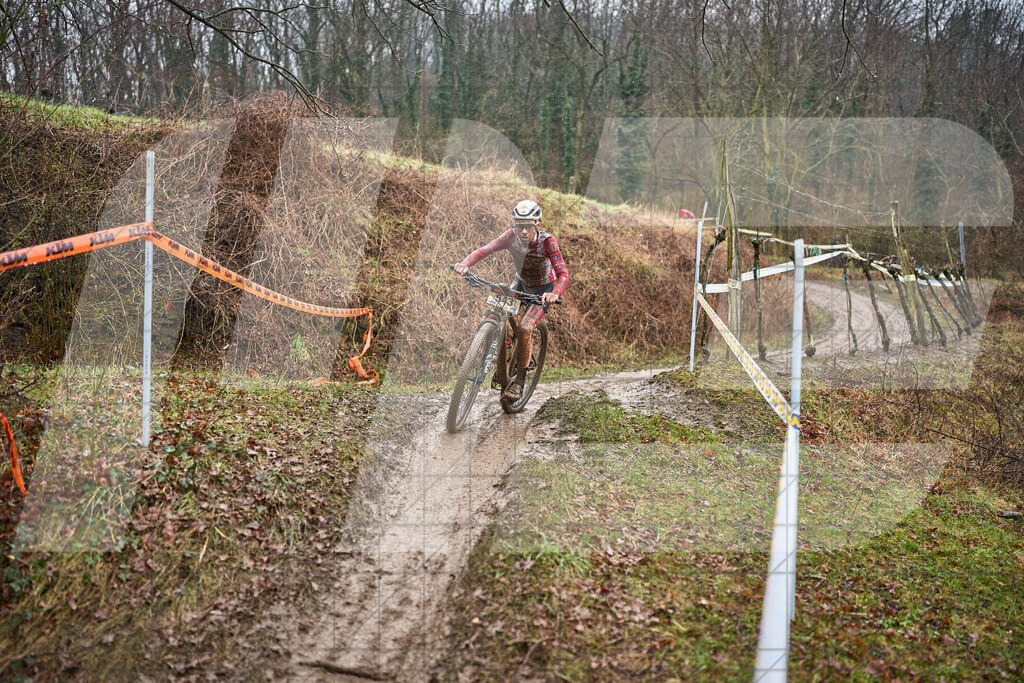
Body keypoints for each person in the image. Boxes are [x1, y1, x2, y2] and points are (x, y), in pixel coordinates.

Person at [453, 199, 569, 402]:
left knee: (524, 328)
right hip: (520, 283)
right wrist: (465, 263)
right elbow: (485, 250)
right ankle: (503, 348)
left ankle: (519, 381)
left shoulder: (547, 242)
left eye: (528, 226)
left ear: (537, 225)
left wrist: (555, 294)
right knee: (495, 310)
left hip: (542, 290)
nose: (523, 231)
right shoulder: (510, 236)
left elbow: (563, 274)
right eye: (519, 226)